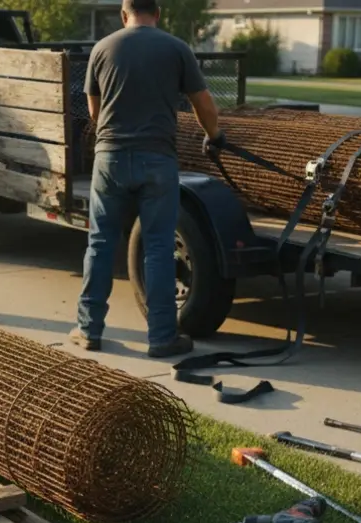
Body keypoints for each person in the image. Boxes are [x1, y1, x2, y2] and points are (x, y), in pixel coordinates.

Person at [71, 0, 223, 358]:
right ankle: (162, 337)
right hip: (158, 160)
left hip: (109, 159)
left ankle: (89, 330)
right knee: (157, 248)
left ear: (124, 15)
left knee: (100, 244)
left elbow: (93, 110)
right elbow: (203, 104)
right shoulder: (176, 48)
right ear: (157, 14)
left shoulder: (102, 48)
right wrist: (214, 136)